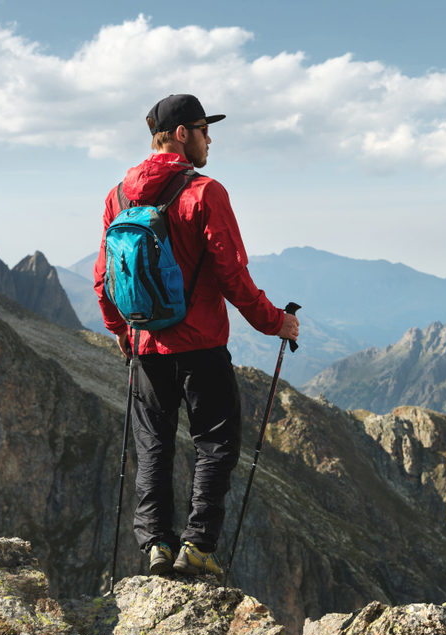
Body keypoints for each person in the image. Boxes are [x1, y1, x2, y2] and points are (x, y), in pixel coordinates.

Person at [94, 93, 299, 578]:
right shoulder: (205, 193)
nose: (211, 139)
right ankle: (198, 547)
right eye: (205, 129)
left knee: (153, 445)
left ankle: (157, 546)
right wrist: (277, 322)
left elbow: (105, 278)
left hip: (146, 347)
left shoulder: (118, 196)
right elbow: (234, 276)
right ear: (181, 133)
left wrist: (121, 330)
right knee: (216, 442)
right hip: (201, 345)